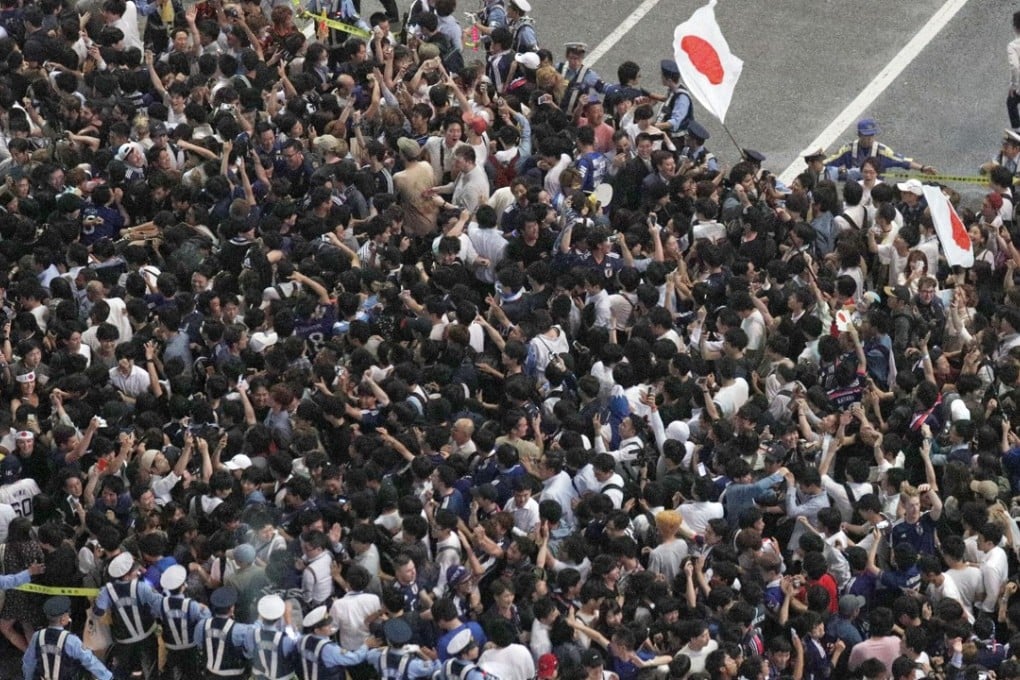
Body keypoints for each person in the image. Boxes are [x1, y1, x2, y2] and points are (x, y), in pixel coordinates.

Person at [93, 552, 163, 680]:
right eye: (134, 571)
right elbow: (160, 607)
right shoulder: (143, 588)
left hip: (123, 643)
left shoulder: (107, 591)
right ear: (125, 576)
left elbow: (98, 611)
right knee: (151, 671)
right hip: (146, 639)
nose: (138, 572)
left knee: (123, 673)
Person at [24, 596, 113, 680]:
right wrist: (107, 676)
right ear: (63, 619)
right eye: (67, 614)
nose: (69, 617)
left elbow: (29, 662)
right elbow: (89, 661)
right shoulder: (71, 640)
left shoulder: (37, 636)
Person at [823, 118, 937, 181]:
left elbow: (902, 161)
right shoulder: (847, 149)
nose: (869, 139)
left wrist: (922, 168)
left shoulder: (882, 150)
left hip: (875, 191)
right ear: (858, 134)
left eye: (871, 136)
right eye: (865, 136)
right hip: (854, 191)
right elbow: (828, 163)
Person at [159, 564, 212, 680]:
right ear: (183, 586)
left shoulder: (161, 604)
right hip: (190, 645)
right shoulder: (192, 605)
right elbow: (205, 621)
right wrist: (205, 609)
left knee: (176, 672)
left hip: (171, 646)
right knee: (193, 672)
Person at [193, 587, 252, 679]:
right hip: (235, 676)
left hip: (210, 673)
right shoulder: (240, 630)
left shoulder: (202, 625)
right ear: (232, 608)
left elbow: (199, 644)